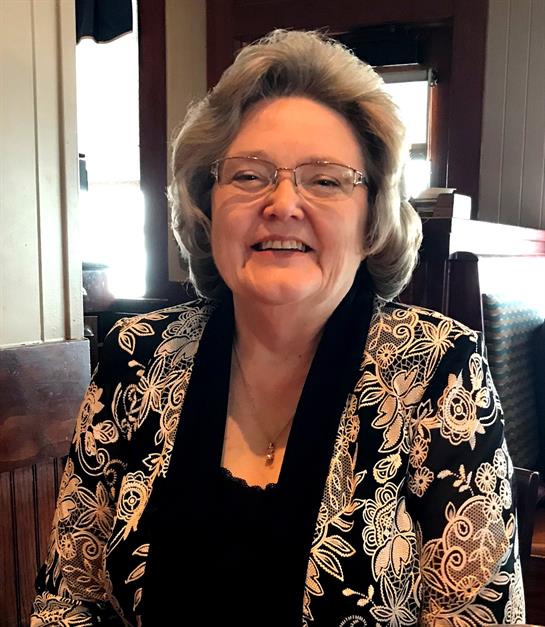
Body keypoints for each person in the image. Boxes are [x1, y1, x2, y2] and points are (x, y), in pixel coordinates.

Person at [31, 29, 525, 627]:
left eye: (326, 180)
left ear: (371, 221)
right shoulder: (134, 357)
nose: (283, 204)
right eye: (248, 175)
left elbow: (477, 614)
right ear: (206, 207)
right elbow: (69, 600)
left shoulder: (438, 369)